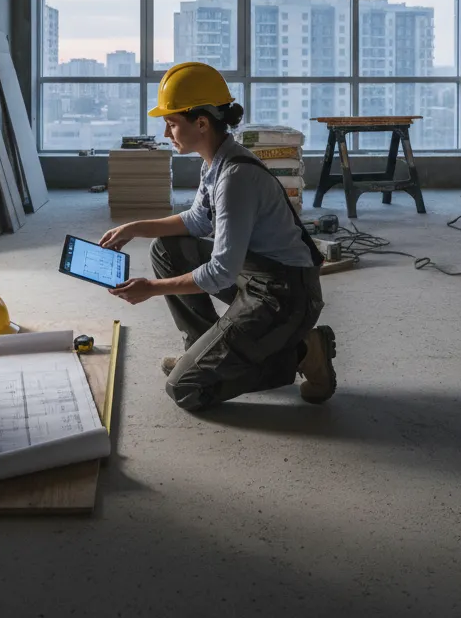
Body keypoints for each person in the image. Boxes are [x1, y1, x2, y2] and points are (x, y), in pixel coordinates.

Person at [101, 61, 336, 412]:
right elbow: (197, 221)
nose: (167, 133)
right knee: (165, 249)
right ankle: (203, 346)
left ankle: (304, 351)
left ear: (201, 123)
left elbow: (219, 274)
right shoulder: (214, 161)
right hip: (257, 272)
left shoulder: (234, 178)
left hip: (285, 295)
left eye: (172, 123)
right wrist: (134, 227)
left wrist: (150, 290)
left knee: (184, 389)